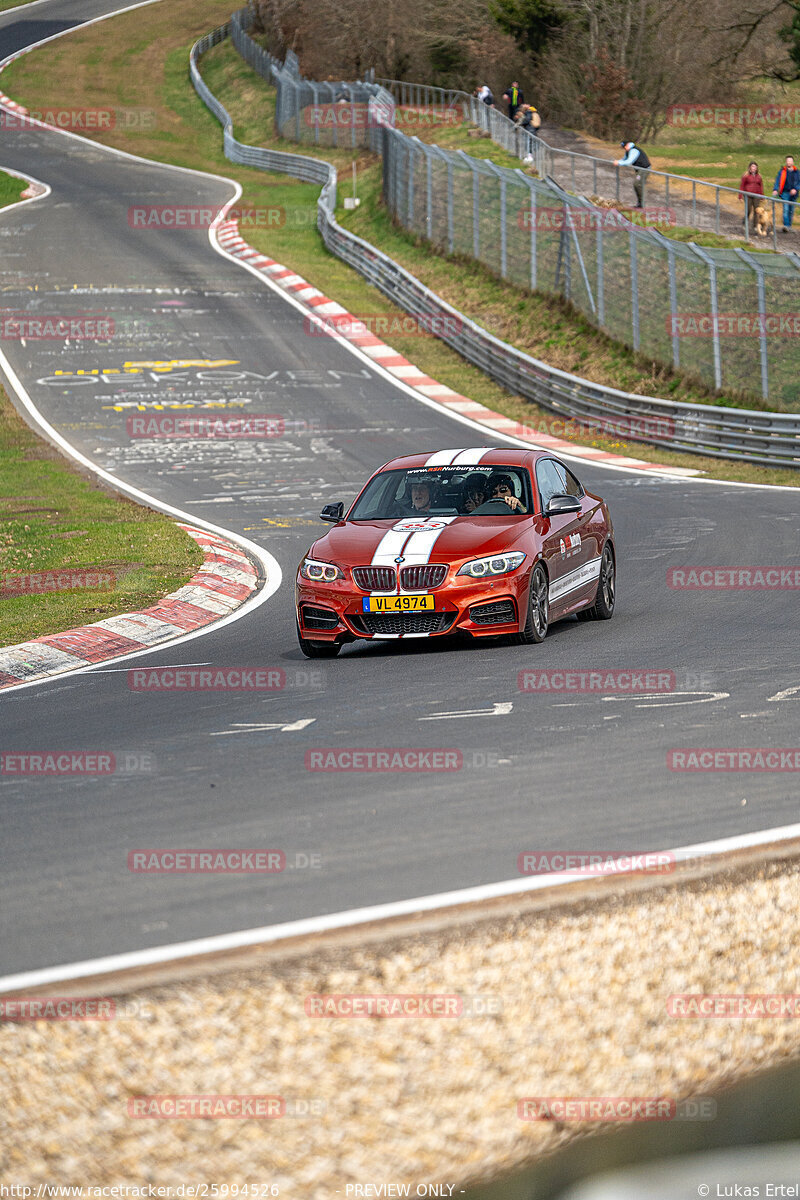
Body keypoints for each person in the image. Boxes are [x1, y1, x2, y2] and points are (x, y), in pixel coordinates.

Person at [614, 140, 651, 208]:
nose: (624, 148)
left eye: (624, 147)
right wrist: (617, 161)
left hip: (644, 169)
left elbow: (629, 161)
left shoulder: (634, 150)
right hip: (639, 169)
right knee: (637, 185)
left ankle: (641, 204)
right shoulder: (628, 151)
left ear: (628, 145)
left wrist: (619, 163)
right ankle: (640, 204)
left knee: (637, 184)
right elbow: (624, 159)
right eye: (623, 147)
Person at [772, 155, 800, 232]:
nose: (789, 162)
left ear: (793, 162)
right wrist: (775, 189)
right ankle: (786, 226)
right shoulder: (782, 171)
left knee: (791, 210)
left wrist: (796, 189)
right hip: (785, 193)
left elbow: (799, 182)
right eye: (788, 161)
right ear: (786, 162)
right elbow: (777, 181)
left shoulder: (797, 172)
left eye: (790, 161)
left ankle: (789, 226)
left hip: (794, 194)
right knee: (786, 209)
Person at [739, 161, 764, 232]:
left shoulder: (759, 177)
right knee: (748, 210)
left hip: (756, 195)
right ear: (750, 167)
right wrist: (740, 196)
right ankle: (744, 222)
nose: (754, 168)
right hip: (748, 195)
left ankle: (755, 226)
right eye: (752, 166)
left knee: (757, 211)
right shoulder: (746, 176)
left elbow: (761, 186)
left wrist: (762, 196)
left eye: (755, 167)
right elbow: (742, 186)